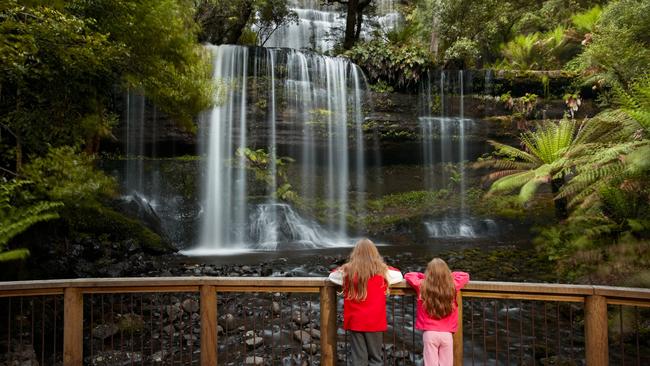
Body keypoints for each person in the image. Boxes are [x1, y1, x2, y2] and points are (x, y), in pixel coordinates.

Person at [328, 238, 403, 366]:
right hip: (374, 322)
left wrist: (345, 266)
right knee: (375, 359)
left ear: (355, 254)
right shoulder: (382, 271)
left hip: (355, 320)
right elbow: (399, 275)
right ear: (375, 254)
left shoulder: (348, 272)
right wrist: (384, 266)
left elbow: (332, 276)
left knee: (358, 360)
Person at [404, 258, 469, 366]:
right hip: (447, 334)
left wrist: (425, 277)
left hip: (429, 333)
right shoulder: (452, 285)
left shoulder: (422, 285)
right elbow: (464, 275)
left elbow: (408, 275)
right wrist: (448, 276)